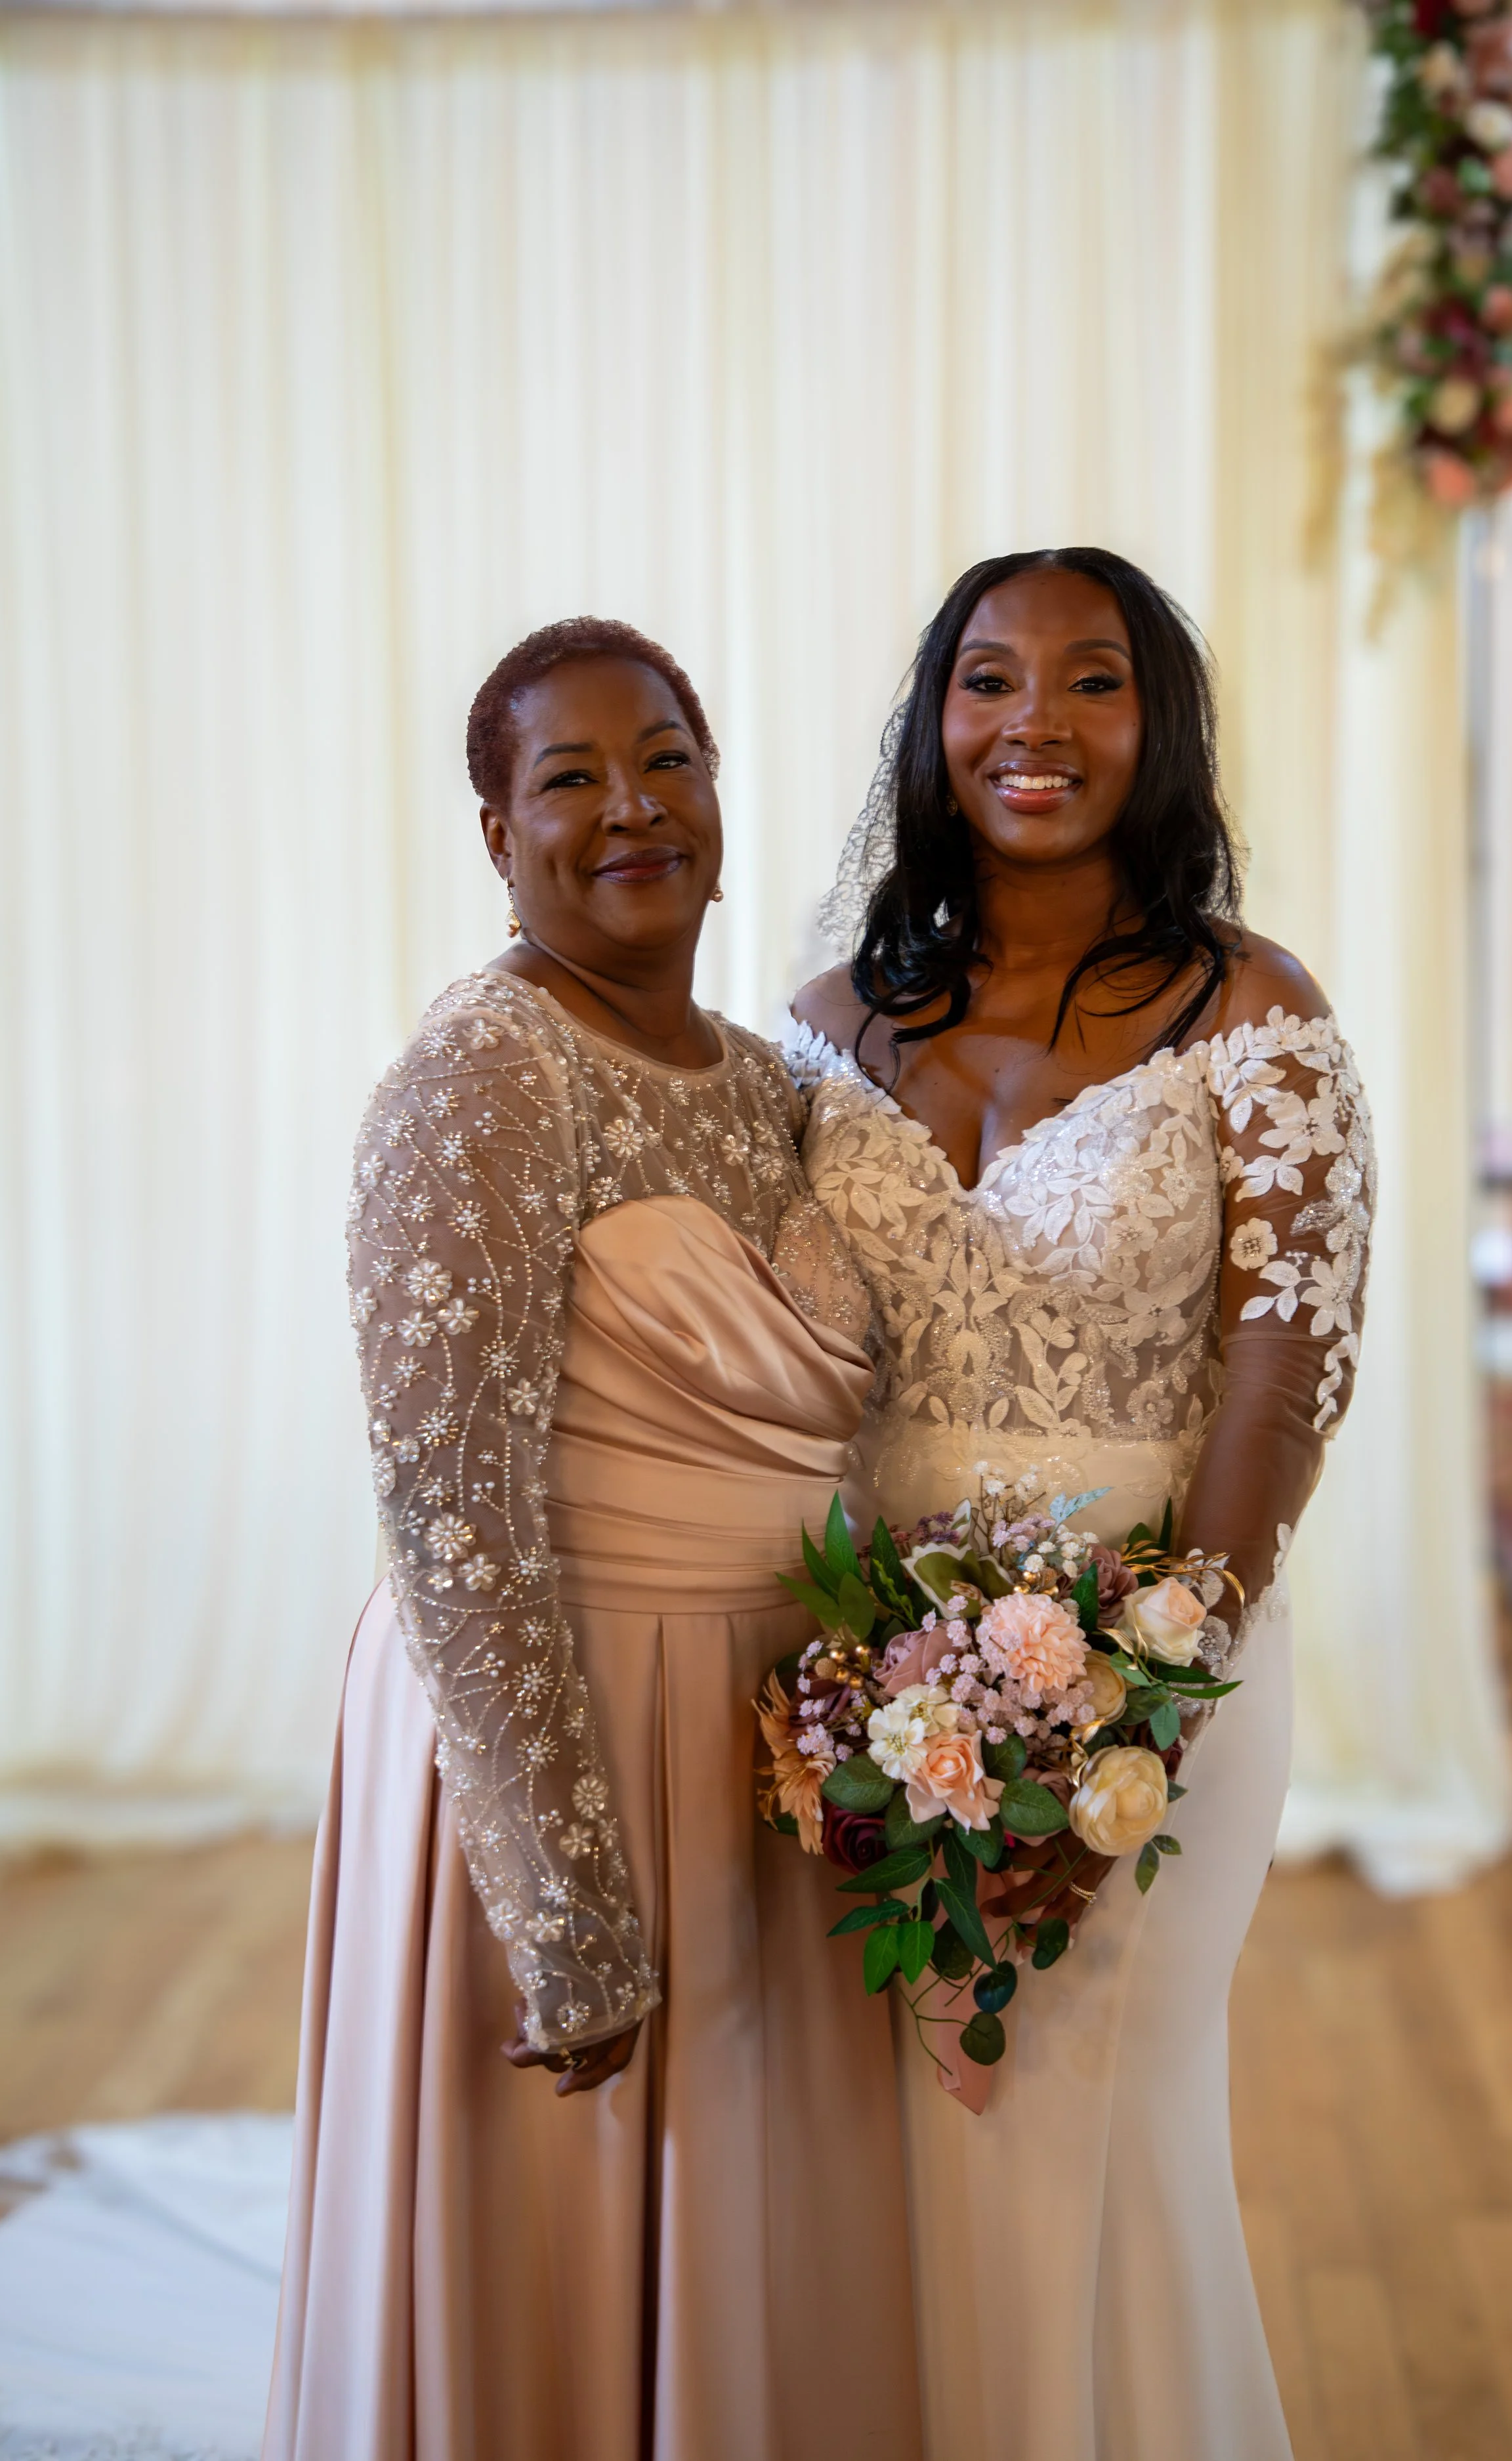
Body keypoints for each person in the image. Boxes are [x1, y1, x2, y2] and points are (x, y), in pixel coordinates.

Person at [265, 620, 922, 2461]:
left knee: (753, 2250)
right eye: (569, 777)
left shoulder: (769, 1073)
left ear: (718, 787)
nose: (631, 807)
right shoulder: (481, 1076)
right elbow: (448, 1508)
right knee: (559, 2256)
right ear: (496, 833)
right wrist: (561, 1906)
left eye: (668, 760)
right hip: (548, 1732)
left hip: (757, 1735)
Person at [788, 547, 1374, 2461]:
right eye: (986, 677)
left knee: (1100, 2116)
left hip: (1169, 1653)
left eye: (1091, 678)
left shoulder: (1250, 1009)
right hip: (868, 1672)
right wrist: (804, 1667)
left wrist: (1154, 1660)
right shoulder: (825, 1024)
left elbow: (1289, 1360)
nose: (1033, 719)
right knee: (879, 2135)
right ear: (933, 723)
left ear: (1159, 723)